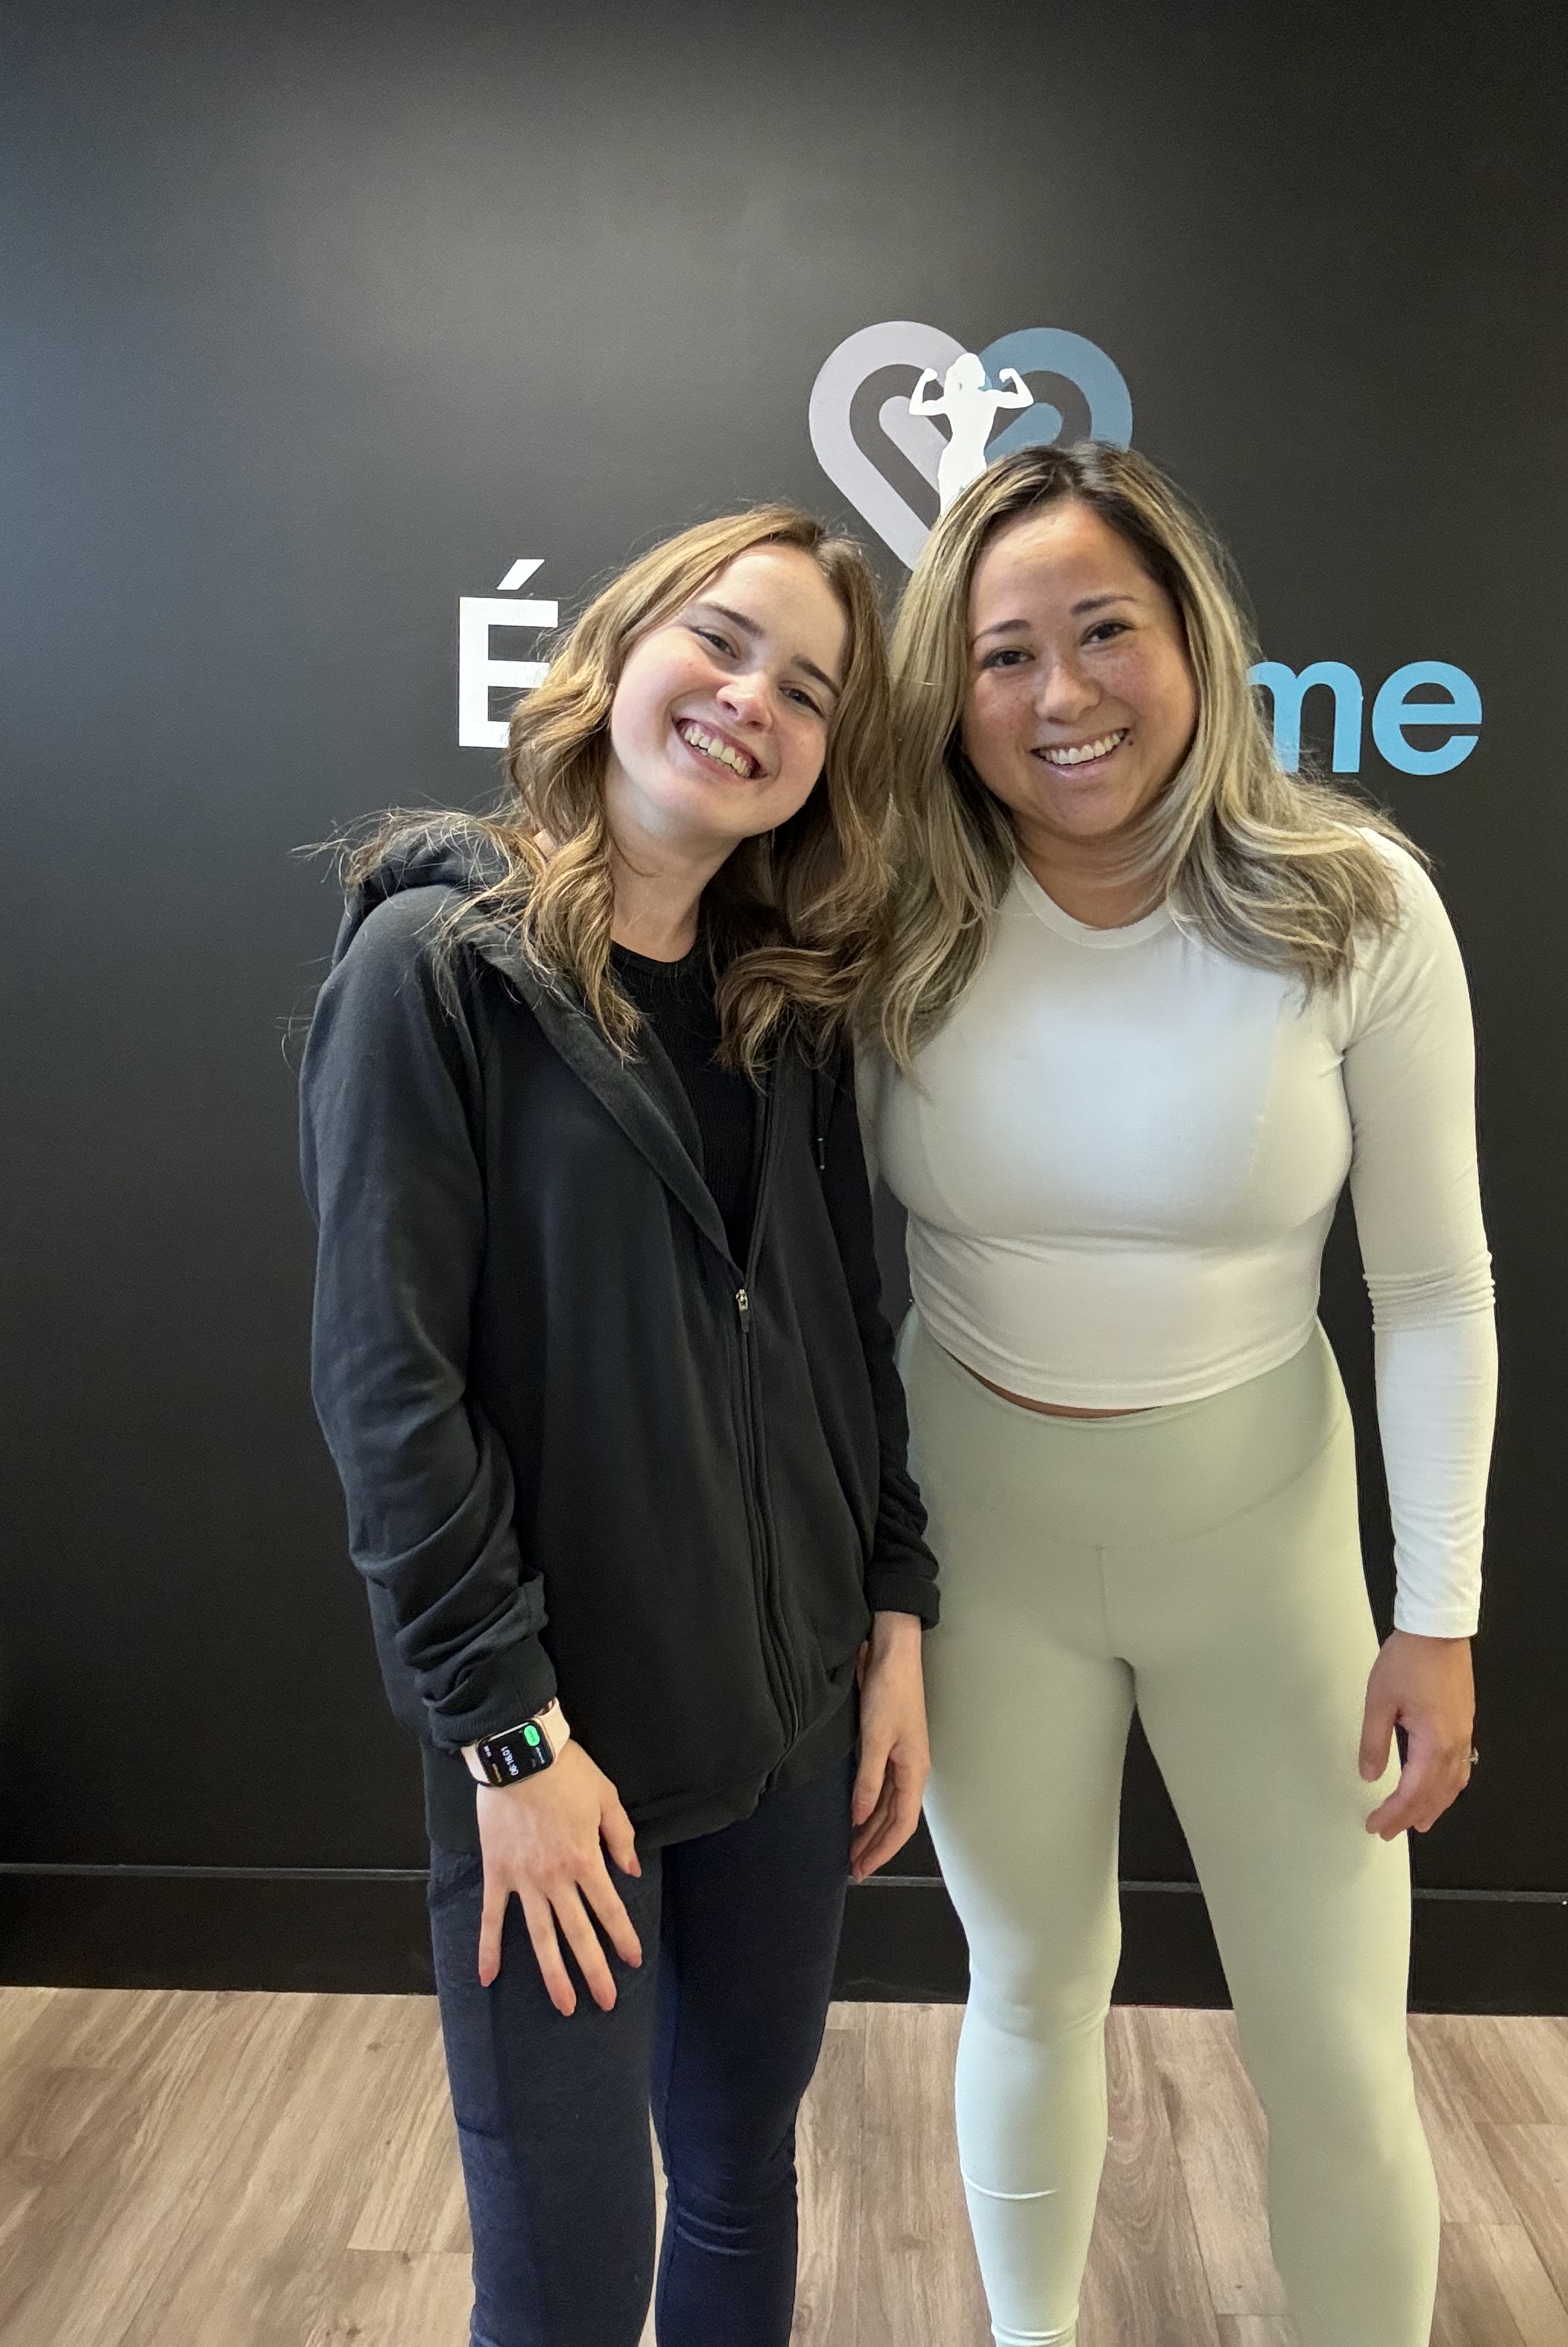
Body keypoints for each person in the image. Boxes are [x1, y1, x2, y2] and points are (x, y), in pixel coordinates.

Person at [860, 442, 1496, 2347]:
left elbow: (1432, 1287)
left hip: (1263, 1546)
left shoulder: (1355, 904)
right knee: (1030, 1987)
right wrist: (873, 1595)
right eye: (1003, 654)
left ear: (1194, 638)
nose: (1060, 694)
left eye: (1103, 630)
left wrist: (1439, 1609)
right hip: (983, 1545)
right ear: (950, 692)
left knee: (1333, 2043)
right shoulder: (892, 913)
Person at [299, 506, 936, 2347]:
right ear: (620, 648)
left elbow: (850, 1336)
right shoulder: (432, 969)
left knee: (739, 2175)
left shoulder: (787, 1004)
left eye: (806, 690)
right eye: (721, 642)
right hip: (556, 1752)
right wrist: (508, 1738)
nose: (752, 702)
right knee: (568, 2275)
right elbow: (390, 1388)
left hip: (793, 1721)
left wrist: (894, 1613)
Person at [910, 352, 1036, 512]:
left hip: (966, 460)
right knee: (962, 511)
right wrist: (1013, 375)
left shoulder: (961, 399)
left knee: (963, 511)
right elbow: (1025, 399)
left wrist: (924, 380)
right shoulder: (986, 398)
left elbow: (916, 408)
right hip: (961, 460)